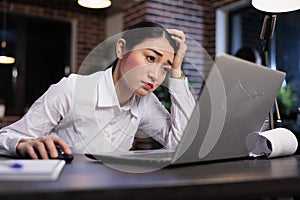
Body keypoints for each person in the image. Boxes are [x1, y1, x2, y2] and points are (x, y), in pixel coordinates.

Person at [0, 21, 196, 159]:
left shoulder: (145, 102)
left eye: (165, 68)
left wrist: (177, 72)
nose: (155, 75)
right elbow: (6, 137)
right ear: (121, 49)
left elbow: (181, 143)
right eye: (150, 58)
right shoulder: (72, 89)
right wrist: (23, 145)